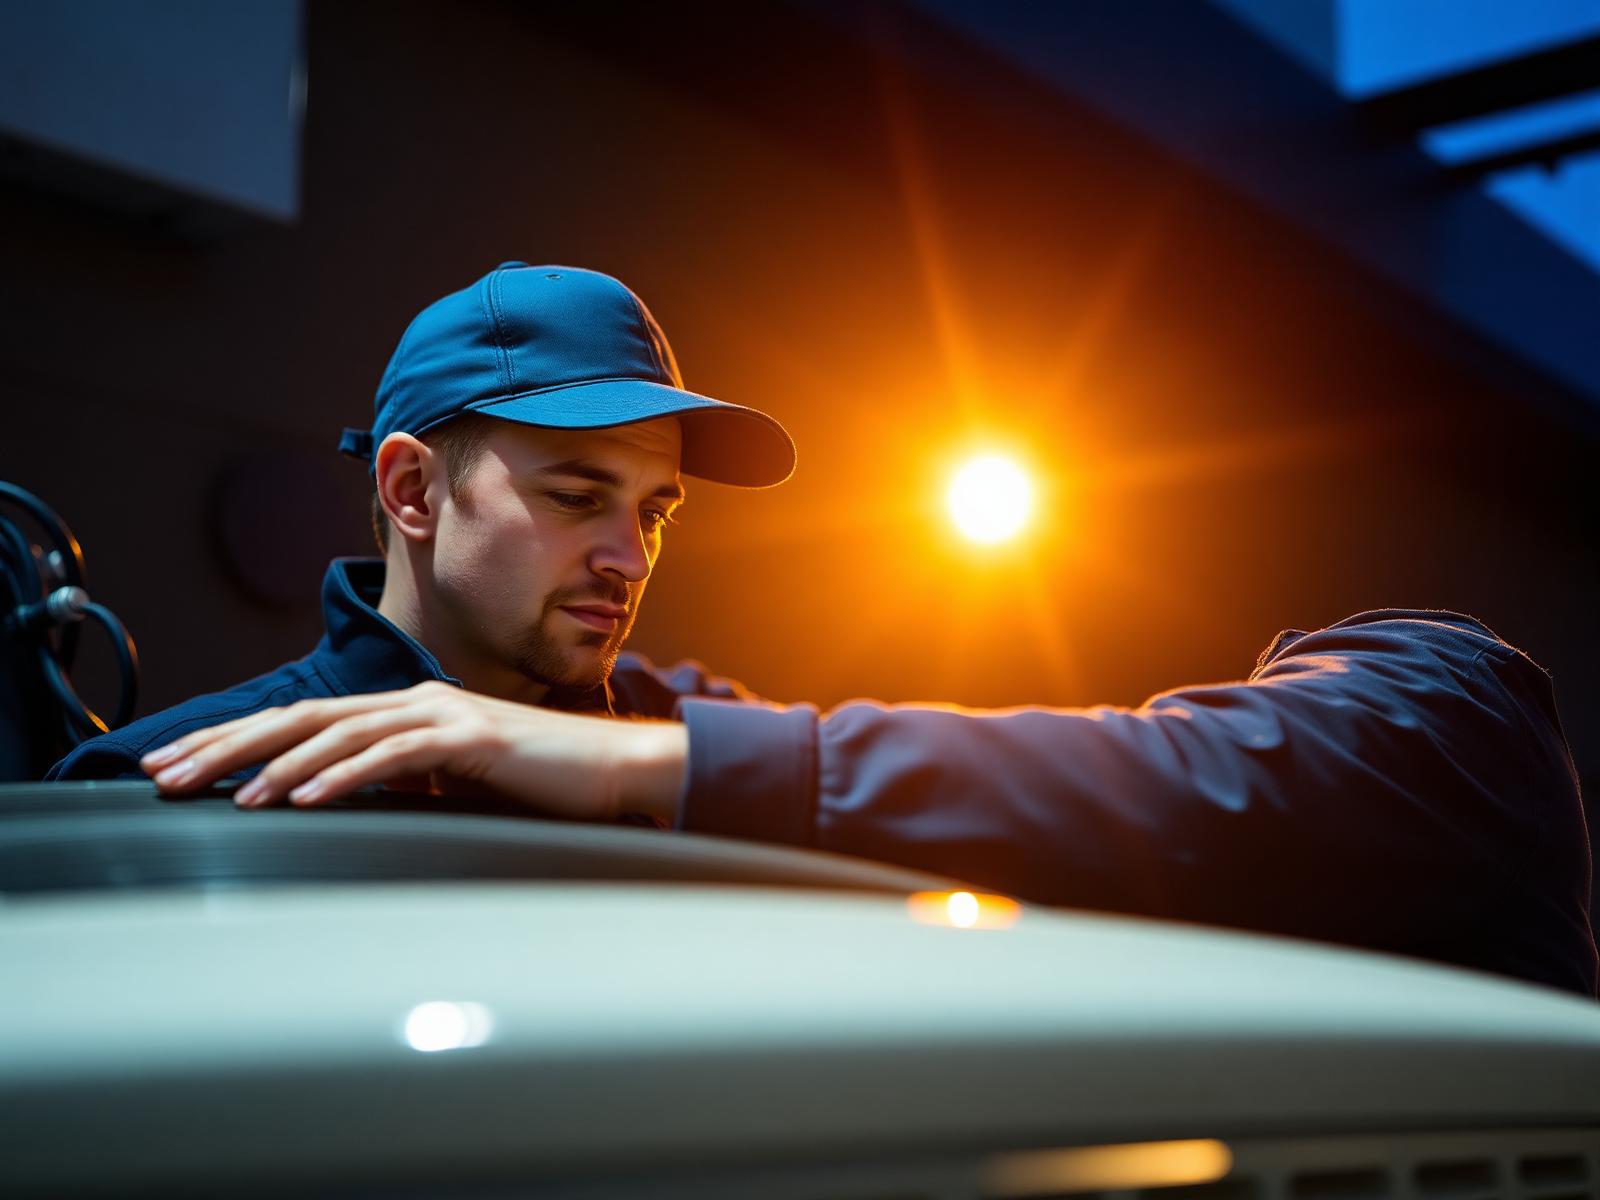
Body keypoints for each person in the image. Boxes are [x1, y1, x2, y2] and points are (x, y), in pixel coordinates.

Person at [47, 261, 795, 782]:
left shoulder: (690, 744)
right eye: (575, 497)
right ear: (412, 490)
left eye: (655, 512)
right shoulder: (187, 779)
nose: (632, 560)